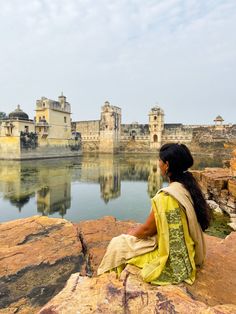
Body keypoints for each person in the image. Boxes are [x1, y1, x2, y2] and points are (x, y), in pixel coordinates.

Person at [97, 143, 211, 285]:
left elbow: (147, 230)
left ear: (166, 165)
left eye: (159, 160)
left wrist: (130, 234)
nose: (158, 163)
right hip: (190, 251)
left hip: (174, 260)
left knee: (118, 244)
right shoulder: (186, 186)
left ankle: (109, 282)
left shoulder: (166, 197)